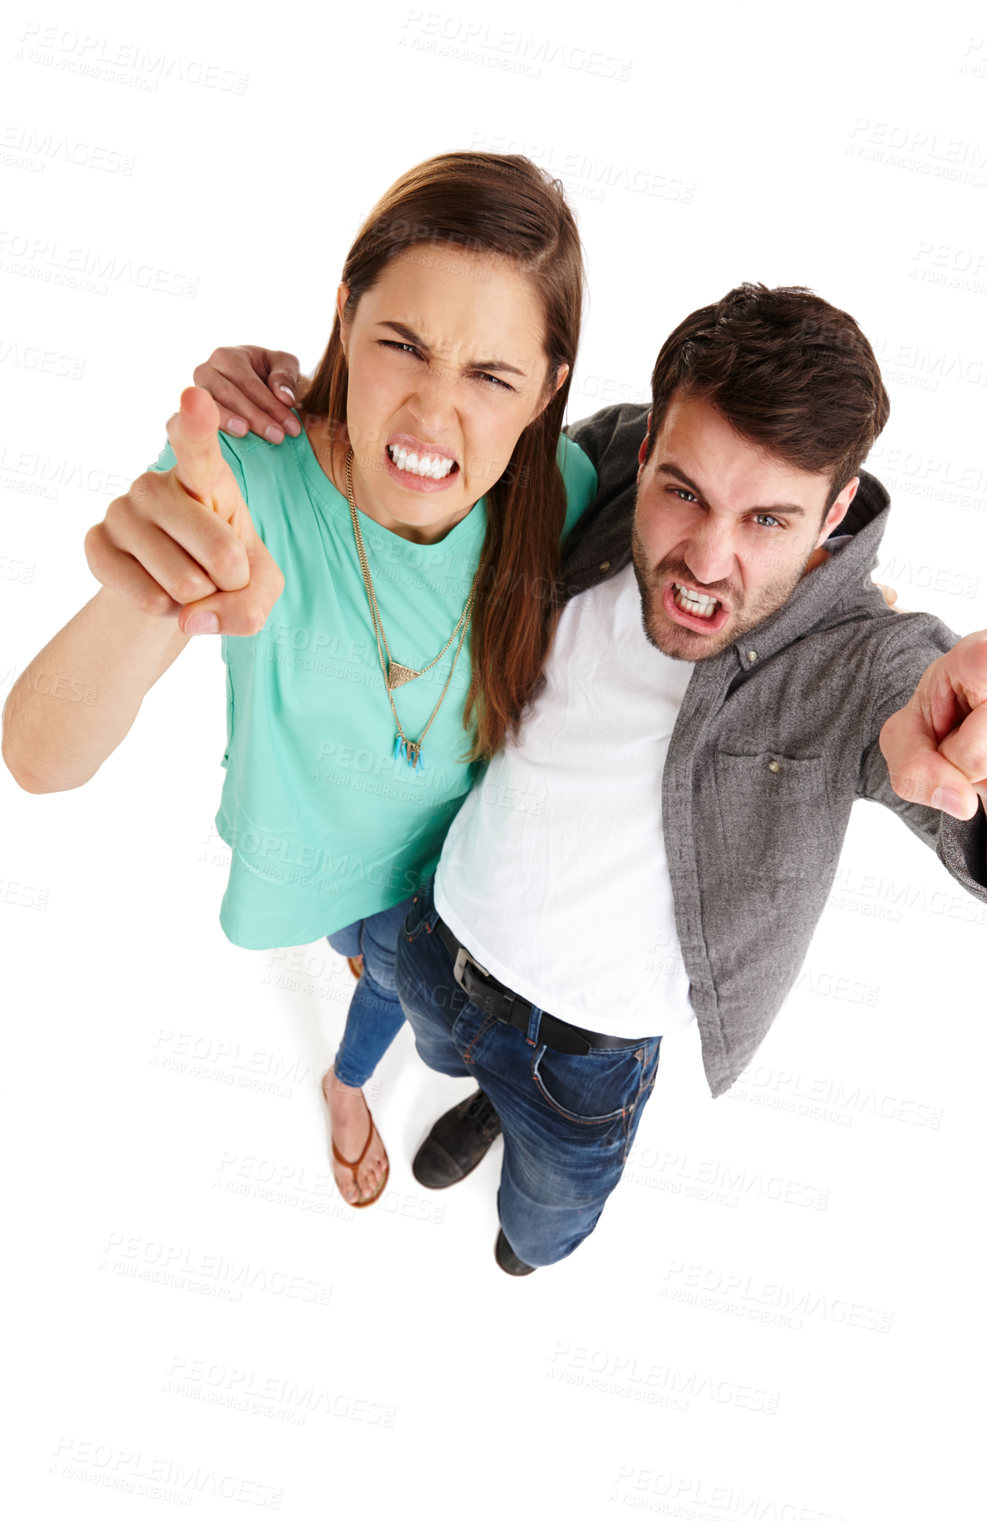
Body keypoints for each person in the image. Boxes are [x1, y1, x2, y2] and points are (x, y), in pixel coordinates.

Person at [371, 283, 987, 1275]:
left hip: (583, 1055)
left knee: (545, 1219)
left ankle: (525, 1233)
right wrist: (284, 409)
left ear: (831, 517)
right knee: (441, 1050)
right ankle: (481, 1097)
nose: (706, 558)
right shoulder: (604, 467)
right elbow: (429, 463)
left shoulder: (861, 663)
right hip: (445, 941)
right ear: (648, 446)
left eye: (768, 521)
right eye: (683, 490)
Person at [0, 152, 596, 1209]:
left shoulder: (565, 489)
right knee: (383, 974)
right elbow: (40, 758)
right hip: (329, 870)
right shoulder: (243, 479)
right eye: (399, 346)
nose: (428, 414)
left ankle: (347, 1073)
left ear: (548, 388)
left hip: (464, 871)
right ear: (343, 316)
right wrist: (152, 589)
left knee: (408, 997)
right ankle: (348, 1086)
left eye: (490, 376)